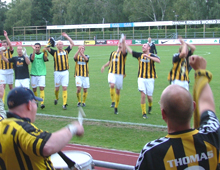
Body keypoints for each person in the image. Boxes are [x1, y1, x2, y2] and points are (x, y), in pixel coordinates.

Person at [135, 55, 220, 170]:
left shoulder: (152, 153)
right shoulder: (212, 135)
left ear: (163, 114)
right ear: (193, 107)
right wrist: (201, 73)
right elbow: (207, 104)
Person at [0, 86, 84, 169]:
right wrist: (73, 128)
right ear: (29, 105)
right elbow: (47, 146)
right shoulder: (21, 130)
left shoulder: (2, 125)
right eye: (35, 103)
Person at [124, 37, 160, 119]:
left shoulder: (152, 55)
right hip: (141, 78)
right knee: (143, 95)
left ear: (148, 48)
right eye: (142, 46)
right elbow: (131, 52)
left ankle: (150, 106)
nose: (143, 47)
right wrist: (125, 44)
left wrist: (148, 57)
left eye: (144, 46)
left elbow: (158, 61)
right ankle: (144, 113)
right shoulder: (139, 55)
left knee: (149, 97)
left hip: (150, 79)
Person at [46, 32, 74, 110]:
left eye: (62, 44)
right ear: (57, 46)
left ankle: (64, 104)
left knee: (64, 88)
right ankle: (57, 98)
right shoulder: (54, 52)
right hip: (57, 72)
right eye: (59, 44)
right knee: (57, 89)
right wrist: (49, 42)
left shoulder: (66, 51)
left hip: (65, 72)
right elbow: (46, 48)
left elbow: (72, 44)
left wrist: (67, 36)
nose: (61, 45)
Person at [101, 39, 127, 114]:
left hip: (119, 74)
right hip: (111, 72)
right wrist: (104, 66)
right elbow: (110, 62)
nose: (120, 44)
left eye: (121, 44)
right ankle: (113, 101)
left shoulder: (124, 53)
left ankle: (116, 106)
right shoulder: (113, 53)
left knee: (118, 90)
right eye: (119, 43)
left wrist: (124, 43)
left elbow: (124, 51)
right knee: (112, 85)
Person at [30, 43, 49, 109]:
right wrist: (33, 51)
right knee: (34, 89)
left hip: (41, 74)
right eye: (36, 47)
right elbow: (32, 59)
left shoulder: (43, 54)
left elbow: (46, 59)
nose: (37, 48)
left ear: (40, 48)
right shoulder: (32, 54)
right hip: (34, 74)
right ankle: (36, 101)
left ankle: (42, 103)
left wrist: (45, 51)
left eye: (38, 47)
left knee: (41, 88)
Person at [0, 30, 14, 104]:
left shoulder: (10, 51)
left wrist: (6, 36)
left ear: (7, 45)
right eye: (3, 44)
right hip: (2, 71)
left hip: (10, 71)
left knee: (11, 87)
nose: (4, 46)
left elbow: (11, 45)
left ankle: (12, 101)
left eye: (5, 45)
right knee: (2, 86)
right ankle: (2, 102)